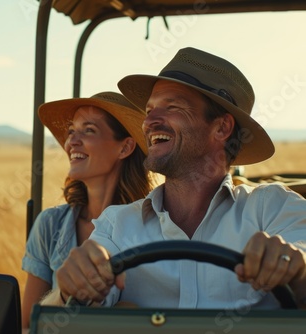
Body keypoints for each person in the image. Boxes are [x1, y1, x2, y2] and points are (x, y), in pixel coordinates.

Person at [41, 47, 306, 309]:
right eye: (149, 110)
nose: (149, 121)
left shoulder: (273, 207)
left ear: (222, 127)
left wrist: (296, 267)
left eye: (173, 107)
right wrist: (65, 291)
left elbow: (301, 251)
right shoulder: (117, 224)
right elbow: (59, 318)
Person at [21, 91, 154, 328]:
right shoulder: (51, 225)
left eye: (89, 130)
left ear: (125, 148)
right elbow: (27, 326)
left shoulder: (155, 225)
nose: (71, 141)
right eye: (72, 131)